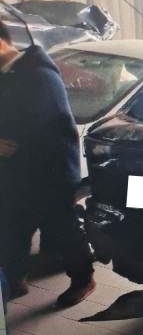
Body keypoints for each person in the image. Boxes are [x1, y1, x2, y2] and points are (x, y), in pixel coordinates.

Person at [0, 20, 96, 307]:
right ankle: (15, 279)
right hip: (16, 173)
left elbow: (42, 128)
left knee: (63, 230)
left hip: (49, 173)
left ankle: (83, 279)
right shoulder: (10, 72)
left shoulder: (37, 74)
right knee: (11, 228)